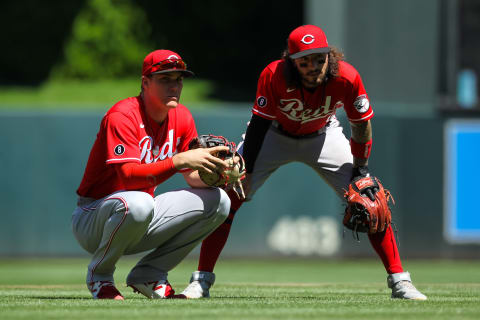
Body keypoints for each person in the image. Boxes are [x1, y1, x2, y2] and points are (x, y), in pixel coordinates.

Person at [182, 25, 428, 301]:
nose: (313, 66)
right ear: (291, 60)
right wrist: (246, 169)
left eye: (319, 58)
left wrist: (361, 170)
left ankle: (400, 282)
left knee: (370, 198)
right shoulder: (273, 74)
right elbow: (260, 124)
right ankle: (201, 281)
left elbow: (361, 125)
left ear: (329, 56)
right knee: (229, 198)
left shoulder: (347, 77)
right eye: (304, 60)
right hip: (273, 134)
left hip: (323, 135)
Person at [72, 49, 232, 300]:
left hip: (140, 216)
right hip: (94, 217)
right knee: (138, 202)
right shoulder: (123, 115)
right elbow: (128, 178)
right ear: (145, 83)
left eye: (178, 79)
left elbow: (192, 176)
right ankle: (100, 276)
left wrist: (219, 173)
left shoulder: (182, 116)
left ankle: (149, 273)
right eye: (165, 79)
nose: (174, 86)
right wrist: (178, 160)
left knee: (220, 200)